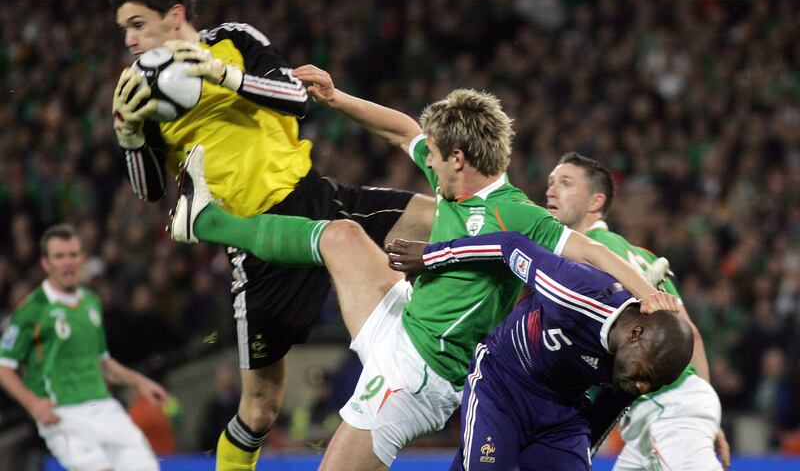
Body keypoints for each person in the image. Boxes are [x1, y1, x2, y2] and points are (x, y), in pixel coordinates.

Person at [172, 65, 677, 470]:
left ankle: (209, 220)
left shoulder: (516, 214)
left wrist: (645, 294)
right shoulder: (450, 180)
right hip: (402, 317)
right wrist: (336, 96)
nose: (426, 163)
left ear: (458, 157)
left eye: (434, 157)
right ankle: (207, 220)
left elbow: (591, 252)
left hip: (421, 374)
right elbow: (403, 132)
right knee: (341, 234)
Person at [108, 0, 434, 470]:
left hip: (313, 195)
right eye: (123, 29)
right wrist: (131, 141)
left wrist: (223, 76)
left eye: (136, 24)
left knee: (441, 219)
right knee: (260, 408)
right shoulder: (140, 92)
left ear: (174, 16)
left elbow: (297, 97)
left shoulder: (234, 41)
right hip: (257, 246)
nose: (128, 39)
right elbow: (152, 191)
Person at [387, 230, 694, 470]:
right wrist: (432, 255)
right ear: (636, 333)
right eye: (648, 377)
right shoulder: (576, 291)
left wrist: (579, 454)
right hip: (502, 386)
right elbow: (509, 245)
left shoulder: (640, 366)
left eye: (654, 384)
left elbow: (605, 411)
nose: (644, 386)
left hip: (563, 415)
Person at [545, 152, 729, 470]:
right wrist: (707, 414)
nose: (551, 190)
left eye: (565, 183)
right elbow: (692, 336)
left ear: (595, 202)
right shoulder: (643, 256)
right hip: (660, 411)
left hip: (667, 405)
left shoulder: (594, 255)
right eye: (550, 182)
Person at [0, 224, 167, 471]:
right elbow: (4, 366)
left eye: (73, 255)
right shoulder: (31, 310)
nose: (67, 262)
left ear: (83, 258)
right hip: (63, 414)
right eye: (59, 256)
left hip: (103, 406)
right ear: (46, 264)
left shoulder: (91, 302)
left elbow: (102, 362)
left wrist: (139, 382)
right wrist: (33, 404)